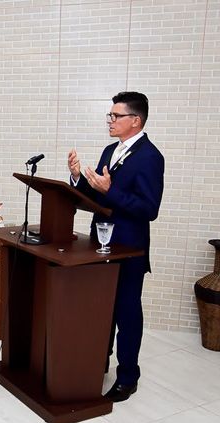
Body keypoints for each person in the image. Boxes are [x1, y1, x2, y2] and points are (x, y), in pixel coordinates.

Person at [67, 91, 165, 402]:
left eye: (116, 116)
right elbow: (98, 198)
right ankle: (98, 363)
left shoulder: (151, 157)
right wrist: (77, 179)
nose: (110, 120)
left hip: (130, 249)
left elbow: (149, 209)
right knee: (100, 310)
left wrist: (110, 190)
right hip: (101, 245)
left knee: (126, 312)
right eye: (110, 115)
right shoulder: (110, 150)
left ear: (135, 120)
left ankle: (127, 378)